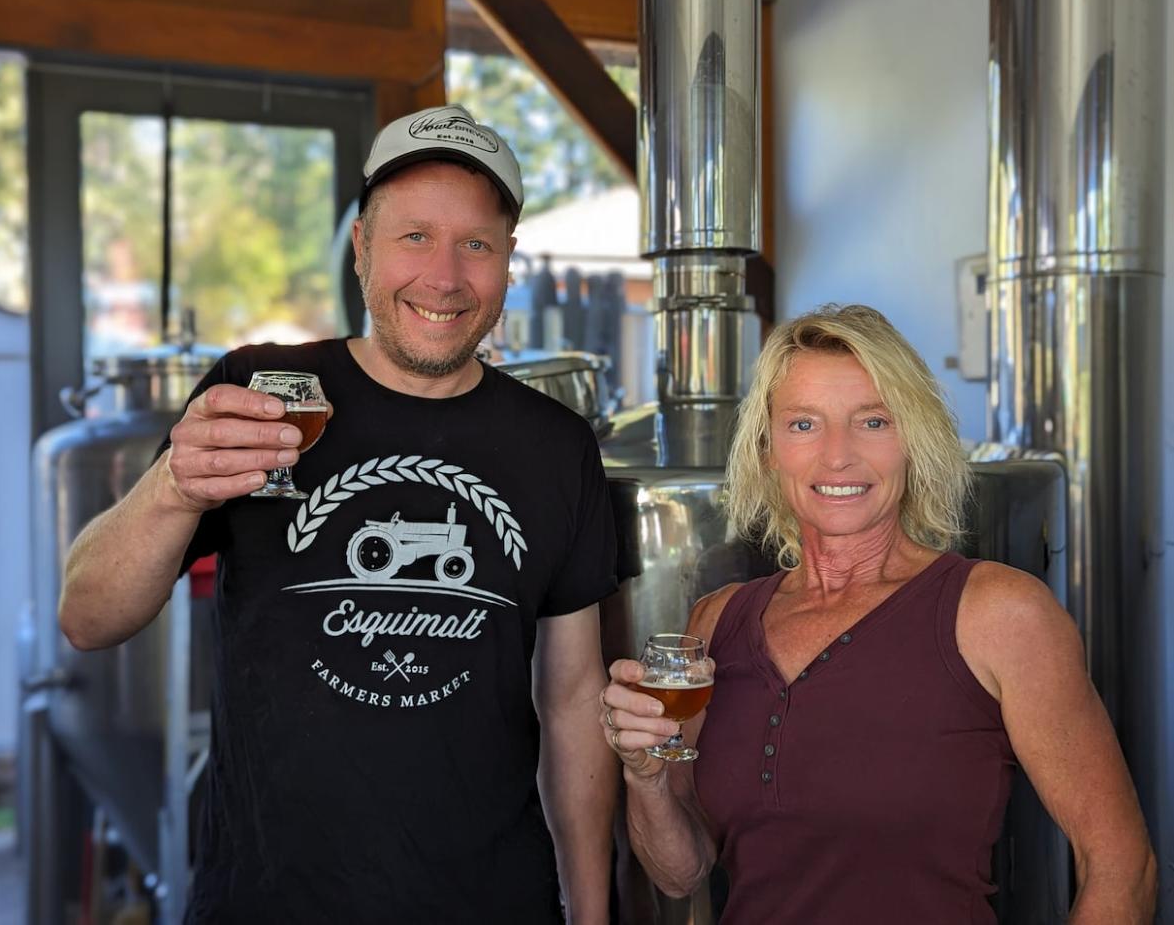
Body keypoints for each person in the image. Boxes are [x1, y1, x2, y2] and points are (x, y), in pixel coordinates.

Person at [59, 104, 618, 924]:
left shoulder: (557, 446)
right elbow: (87, 616)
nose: (445, 275)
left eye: (477, 244)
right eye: (414, 236)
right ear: (361, 247)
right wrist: (175, 485)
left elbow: (572, 698)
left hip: (489, 901)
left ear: (507, 263)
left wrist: (592, 912)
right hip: (268, 902)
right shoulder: (260, 392)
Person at [599, 304, 1157, 923]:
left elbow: (1121, 866)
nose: (838, 456)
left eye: (873, 421)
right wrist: (645, 777)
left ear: (914, 443)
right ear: (766, 451)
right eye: (804, 424)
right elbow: (682, 873)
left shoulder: (999, 613)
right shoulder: (715, 624)